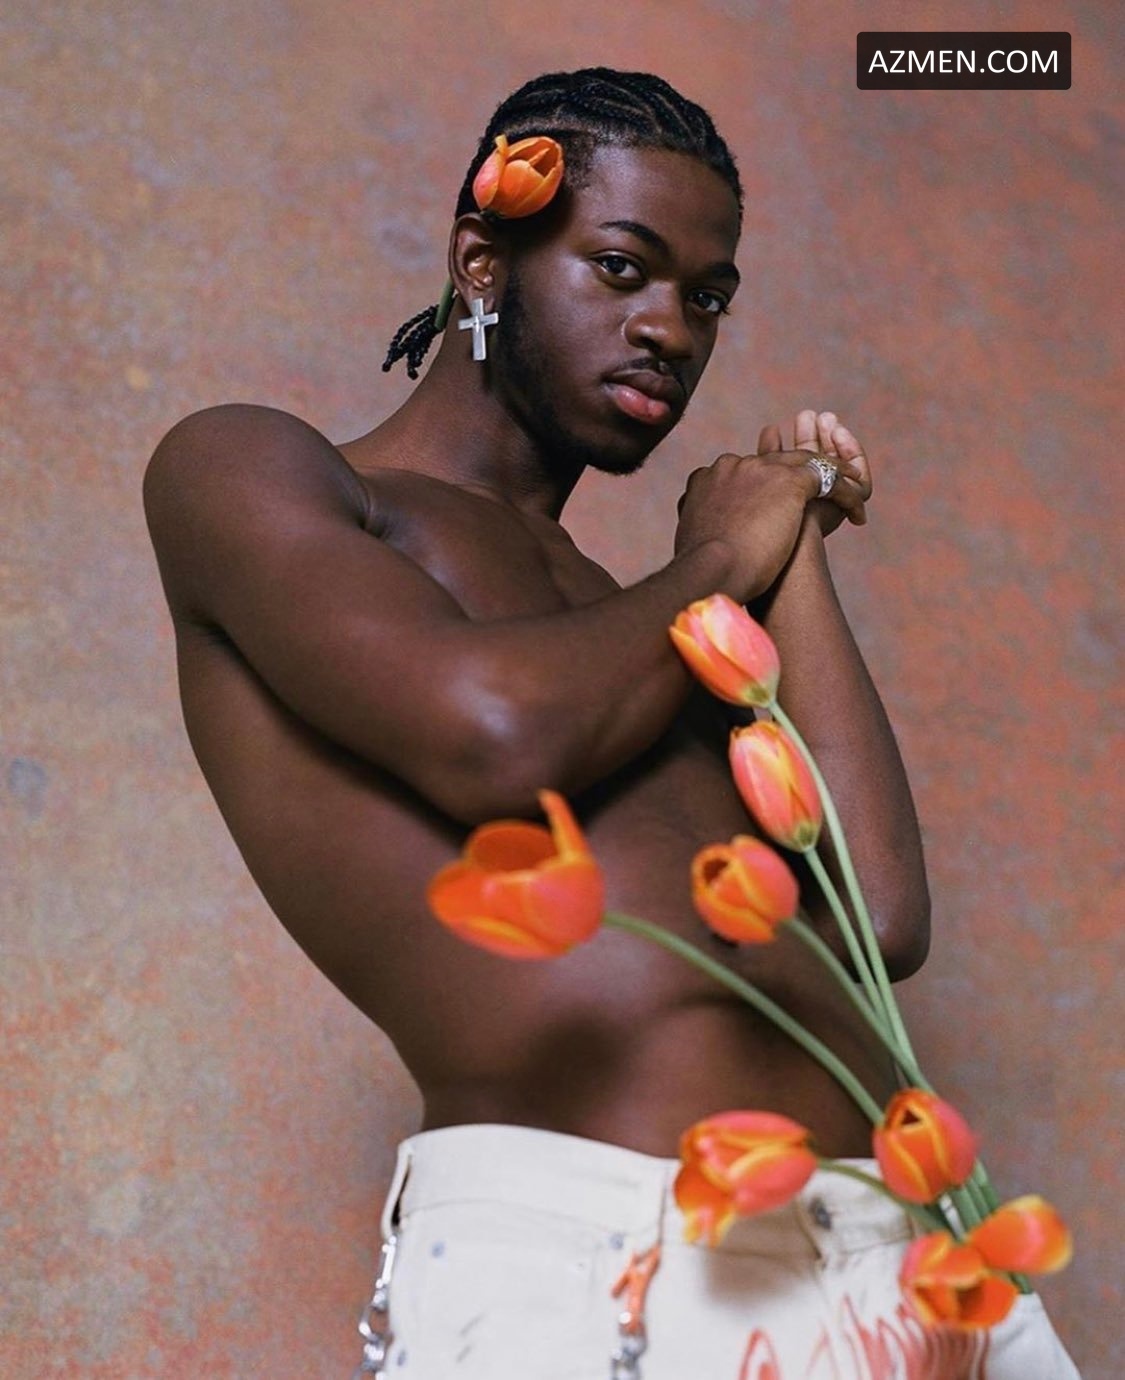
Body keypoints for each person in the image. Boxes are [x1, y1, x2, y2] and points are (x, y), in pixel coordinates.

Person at [144, 68, 1078, 1380]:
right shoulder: (259, 469)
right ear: (484, 262)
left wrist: (788, 547)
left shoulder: (629, 621)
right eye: (623, 269)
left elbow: (874, 917)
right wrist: (721, 557)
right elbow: (492, 739)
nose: (670, 331)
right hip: (598, 1254)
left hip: (912, 1261)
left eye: (707, 299)